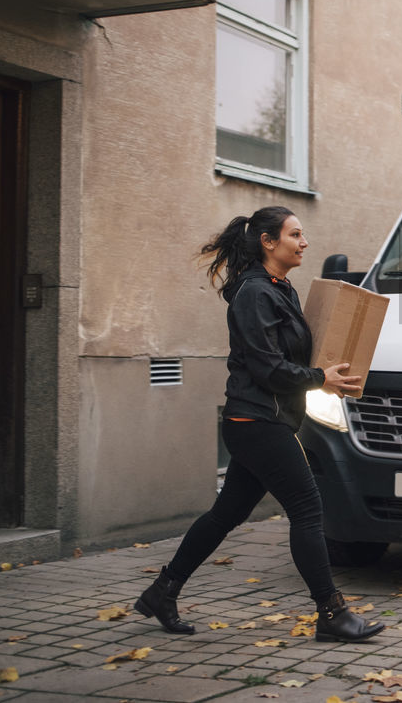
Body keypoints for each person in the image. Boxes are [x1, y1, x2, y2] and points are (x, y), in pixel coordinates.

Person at [135, 205, 384, 643]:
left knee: (225, 514)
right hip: (257, 421)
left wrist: (329, 374)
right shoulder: (254, 293)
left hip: (266, 419)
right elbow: (268, 366)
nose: (304, 242)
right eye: (296, 234)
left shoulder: (279, 288)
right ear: (269, 242)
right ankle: (331, 612)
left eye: (302, 235)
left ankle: (163, 591)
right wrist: (319, 379)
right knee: (307, 510)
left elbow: (290, 358)